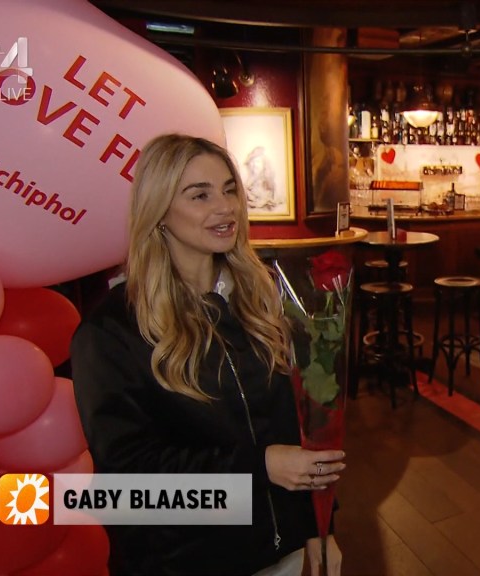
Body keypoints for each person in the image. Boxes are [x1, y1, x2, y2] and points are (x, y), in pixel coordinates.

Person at [71, 134, 344, 575]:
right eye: (200, 195)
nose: (225, 207)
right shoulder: (111, 331)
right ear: (159, 211)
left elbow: (295, 425)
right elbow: (130, 477)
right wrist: (258, 468)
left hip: (285, 553)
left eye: (229, 190)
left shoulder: (261, 300)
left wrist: (318, 524)